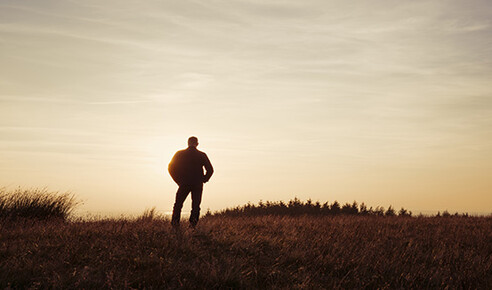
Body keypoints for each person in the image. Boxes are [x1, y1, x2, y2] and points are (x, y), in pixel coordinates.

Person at [169, 136, 214, 228]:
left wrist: (178, 180)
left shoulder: (179, 154)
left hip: (184, 183)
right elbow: (210, 170)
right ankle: (192, 226)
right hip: (197, 184)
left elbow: (170, 167)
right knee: (196, 206)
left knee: (178, 204)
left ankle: (175, 225)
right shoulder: (202, 155)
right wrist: (204, 179)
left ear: (187, 143)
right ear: (197, 144)